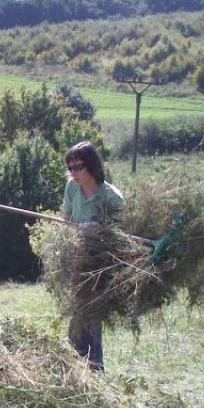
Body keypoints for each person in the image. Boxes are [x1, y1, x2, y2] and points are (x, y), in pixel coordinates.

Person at [61, 141, 124, 371]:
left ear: (92, 166)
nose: (74, 172)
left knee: (90, 316)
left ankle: (94, 369)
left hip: (100, 266)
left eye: (78, 167)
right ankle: (77, 367)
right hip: (77, 262)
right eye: (70, 167)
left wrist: (96, 235)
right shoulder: (71, 188)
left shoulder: (111, 197)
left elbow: (120, 236)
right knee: (77, 315)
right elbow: (65, 221)